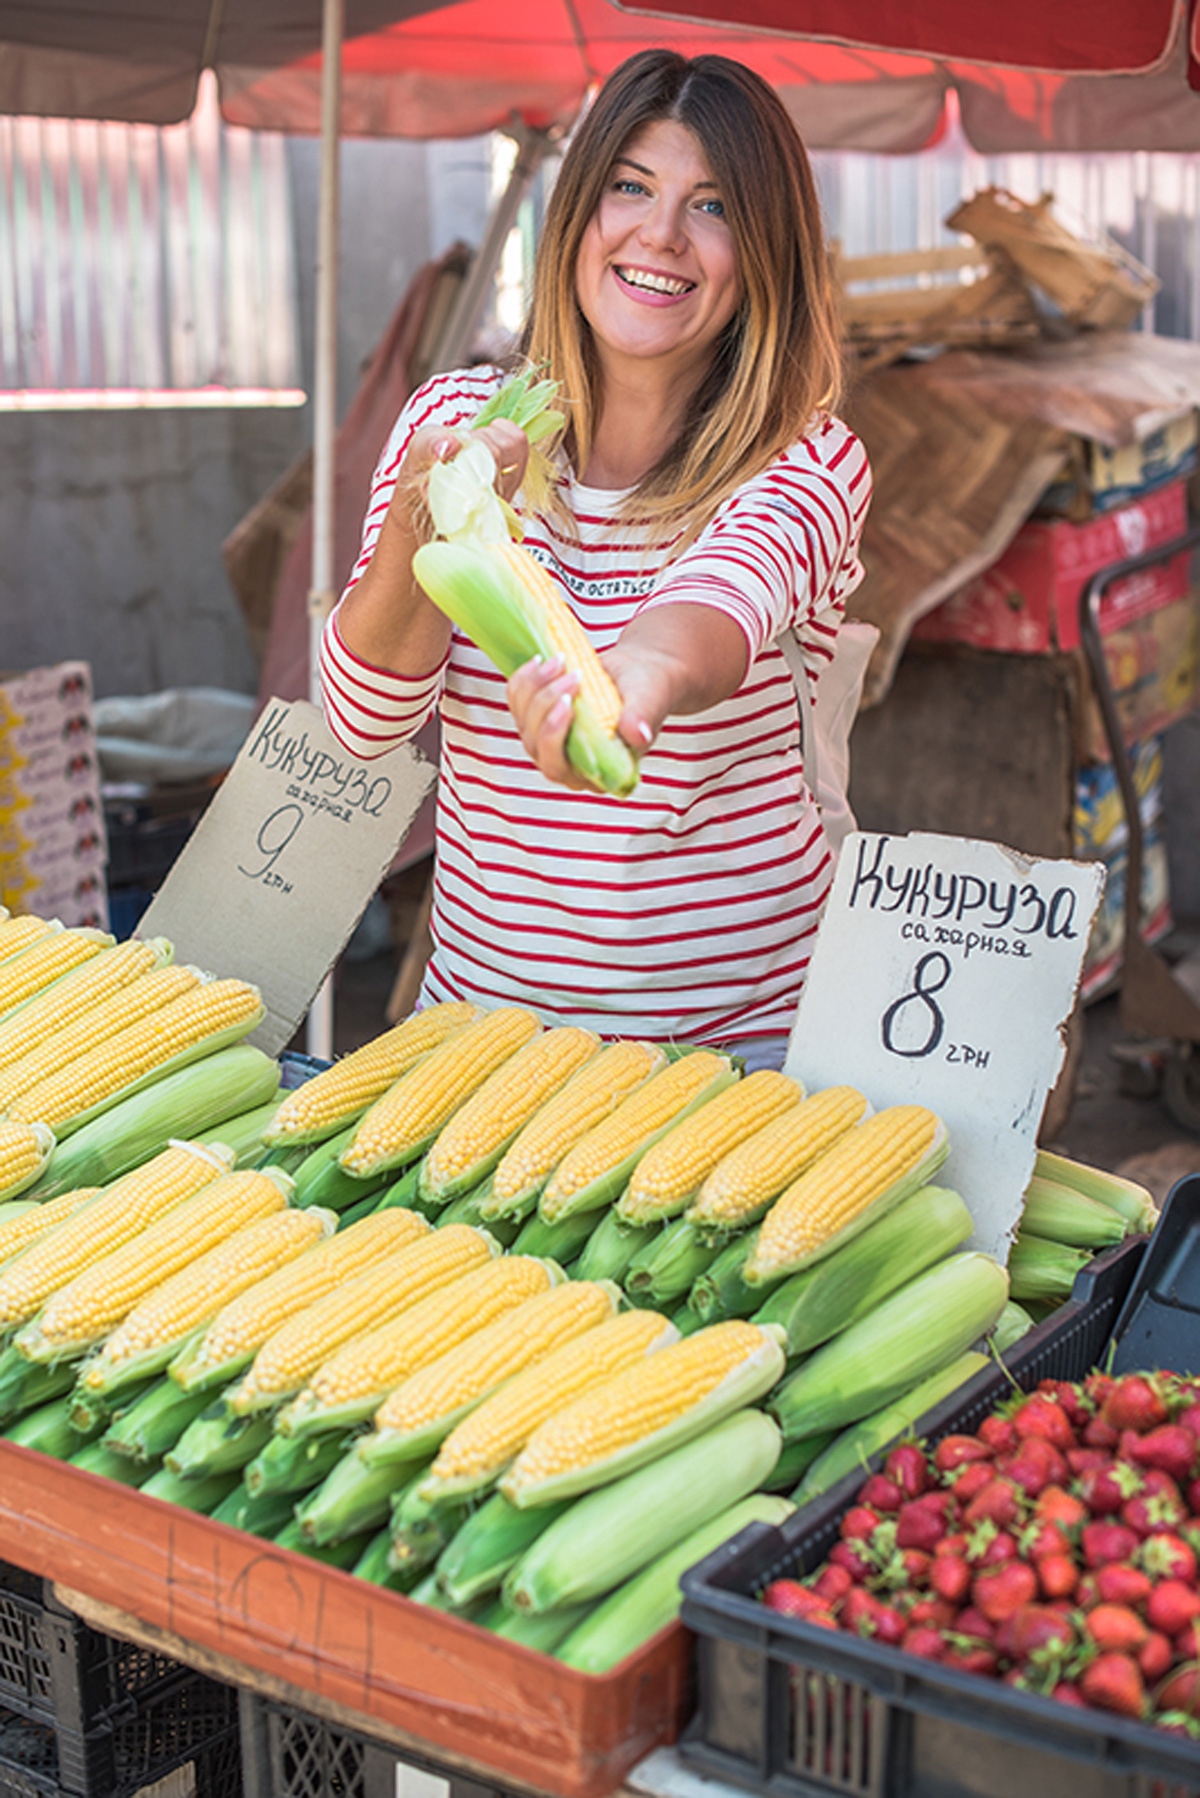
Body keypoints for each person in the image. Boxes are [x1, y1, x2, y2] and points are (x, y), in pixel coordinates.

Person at [321, 49, 871, 1071]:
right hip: (483, 1051)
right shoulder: (452, 422)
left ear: (764, 253)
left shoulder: (807, 459)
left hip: (736, 1066)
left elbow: (718, 604)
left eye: (712, 207)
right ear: (577, 214)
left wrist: (623, 690)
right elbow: (360, 726)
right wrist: (416, 526)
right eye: (631, 187)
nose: (660, 236)